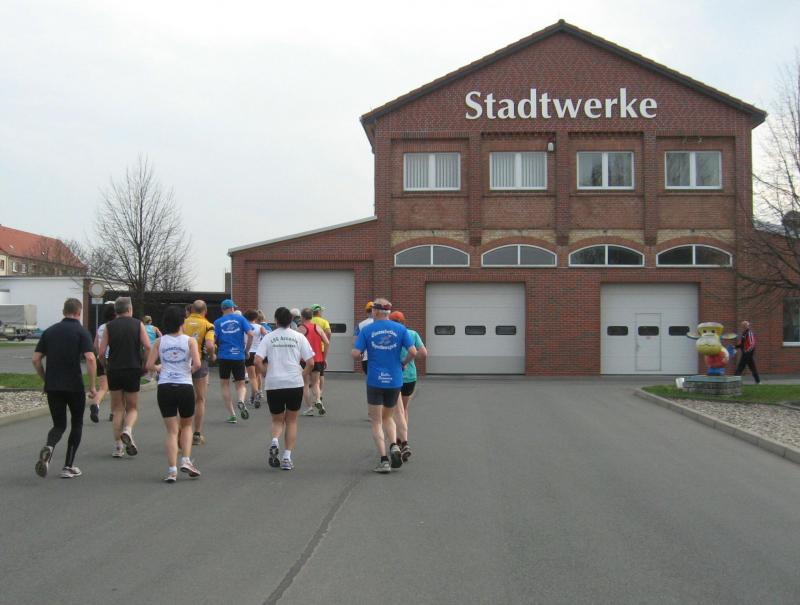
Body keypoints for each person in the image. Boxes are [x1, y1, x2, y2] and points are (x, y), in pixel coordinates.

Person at [32, 298, 97, 478]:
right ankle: (68, 467)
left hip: (53, 386)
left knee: (59, 425)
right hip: (74, 386)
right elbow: (90, 358)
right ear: (79, 312)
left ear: (63, 311)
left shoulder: (49, 331)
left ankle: (49, 447)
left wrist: (46, 379)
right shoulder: (81, 332)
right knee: (77, 423)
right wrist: (92, 386)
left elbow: (36, 359)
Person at [352, 298, 416, 473]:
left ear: (375, 311)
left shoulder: (367, 329)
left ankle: (384, 460)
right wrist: (403, 363)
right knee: (388, 417)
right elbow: (413, 351)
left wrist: (359, 354)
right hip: (394, 380)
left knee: (376, 421)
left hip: (375, 380)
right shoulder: (400, 329)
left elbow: (356, 353)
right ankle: (394, 445)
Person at [146, 306, 202, 482]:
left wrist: (159, 368)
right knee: (187, 426)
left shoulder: (159, 341)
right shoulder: (190, 341)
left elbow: (149, 365)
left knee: (171, 431)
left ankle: (172, 470)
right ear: (181, 322)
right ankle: (185, 460)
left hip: (165, 387)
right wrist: (188, 371)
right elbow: (198, 364)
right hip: (184, 386)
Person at [255, 307, 315, 470]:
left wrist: (265, 373)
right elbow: (311, 362)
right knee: (291, 421)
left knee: (277, 419)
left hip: (274, 383)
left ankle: (275, 440)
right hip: (294, 382)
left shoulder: (269, 337)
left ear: (276, 321)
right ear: (291, 320)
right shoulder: (299, 337)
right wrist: (302, 374)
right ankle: (287, 457)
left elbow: (257, 360)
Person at [98, 297, 151, 458]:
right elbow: (147, 346)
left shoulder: (109, 326)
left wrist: (105, 365)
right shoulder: (138, 324)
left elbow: (101, 352)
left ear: (116, 311)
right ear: (129, 309)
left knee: (117, 409)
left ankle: (118, 447)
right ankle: (127, 430)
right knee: (132, 408)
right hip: (132, 368)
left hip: (114, 369)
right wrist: (144, 364)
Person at [388, 310, 427, 462]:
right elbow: (423, 353)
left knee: (393, 412)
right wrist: (409, 360)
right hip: (410, 376)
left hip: (394, 376)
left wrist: (400, 361)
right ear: (404, 322)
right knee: (404, 410)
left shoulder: (390, 335)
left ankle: (398, 442)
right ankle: (402, 439)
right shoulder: (413, 334)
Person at [213, 299, 253, 423]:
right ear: (231, 308)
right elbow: (251, 334)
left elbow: (213, 339)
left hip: (224, 356)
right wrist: (247, 350)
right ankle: (241, 400)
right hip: (238, 355)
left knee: (225, 385)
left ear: (222, 309)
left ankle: (232, 415)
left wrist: (213, 352)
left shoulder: (217, 322)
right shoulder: (240, 319)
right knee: (241, 384)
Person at [183, 300, 216, 445]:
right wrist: (212, 355)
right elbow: (209, 345)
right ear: (205, 311)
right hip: (199, 362)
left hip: (182, 362)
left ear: (191, 310)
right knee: (200, 399)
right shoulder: (208, 325)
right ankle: (196, 433)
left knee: (183, 399)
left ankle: (182, 432)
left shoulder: (182, 323)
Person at [297, 307, 329, 416]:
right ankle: (318, 400)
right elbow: (327, 342)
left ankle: (309, 407)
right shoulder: (317, 327)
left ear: (302, 317)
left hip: (305, 360)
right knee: (315, 383)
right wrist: (324, 357)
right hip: (318, 359)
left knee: (305, 384)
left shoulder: (301, 328)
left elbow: (296, 344)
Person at [90, 304, 116, 423]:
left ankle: (95, 404)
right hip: (112, 359)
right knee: (115, 388)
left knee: (103, 388)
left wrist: (98, 355)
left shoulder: (100, 327)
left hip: (100, 359)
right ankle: (113, 413)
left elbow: (95, 345)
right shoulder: (115, 327)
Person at [244, 310, 269, 407]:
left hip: (249, 352)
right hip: (259, 353)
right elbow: (267, 336)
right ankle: (253, 396)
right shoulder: (260, 327)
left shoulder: (244, 327)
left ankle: (256, 394)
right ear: (256, 318)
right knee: (257, 375)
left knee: (252, 377)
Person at [310, 304, 332, 404]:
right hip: (320, 349)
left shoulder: (309, 321)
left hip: (309, 350)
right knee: (321, 373)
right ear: (318, 312)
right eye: (321, 311)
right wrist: (325, 340)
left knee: (311, 373)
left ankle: (315, 394)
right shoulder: (324, 321)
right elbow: (329, 332)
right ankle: (320, 393)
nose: (322, 312)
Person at [353, 301, 374, 374]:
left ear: (366, 312)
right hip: (380, 357)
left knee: (369, 377)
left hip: (366, 357)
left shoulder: (360, 325)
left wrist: (360, 352)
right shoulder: (382, 323)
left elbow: (355, 341)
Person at [142, 316, 162, 380]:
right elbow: (161, 336)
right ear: (150, 321)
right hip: (154, 347)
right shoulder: (155, 328)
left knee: (147, 360)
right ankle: (154, 374)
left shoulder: (142, 328)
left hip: (146, 346)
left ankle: (149, 375)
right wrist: (156, 340)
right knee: (153, 361)